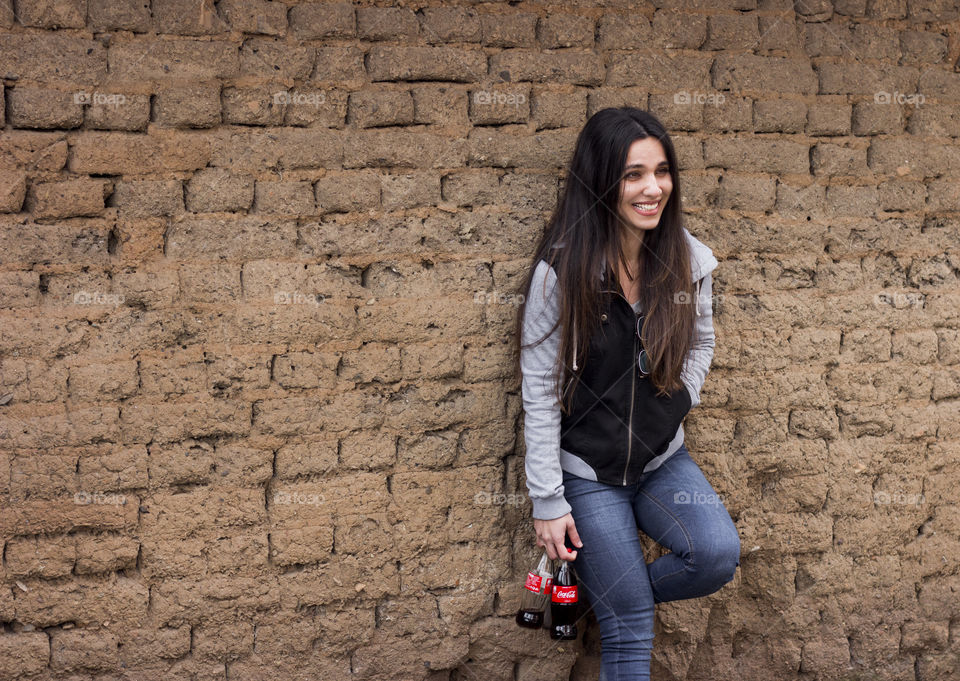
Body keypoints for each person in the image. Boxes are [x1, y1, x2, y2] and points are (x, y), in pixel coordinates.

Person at [514, 107, 741, 680]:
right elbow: (540, 392)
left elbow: (702, 341)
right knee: (632, 626)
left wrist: (678, 404)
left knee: (715, 555)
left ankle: (613, 596)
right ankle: (623, 606)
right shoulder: (561, 274)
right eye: (633, 174)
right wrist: (548, 500)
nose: (652, 188)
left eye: (661, 171)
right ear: (601, 180)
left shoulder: (687, 260)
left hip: (663, 461)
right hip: (589, 474)